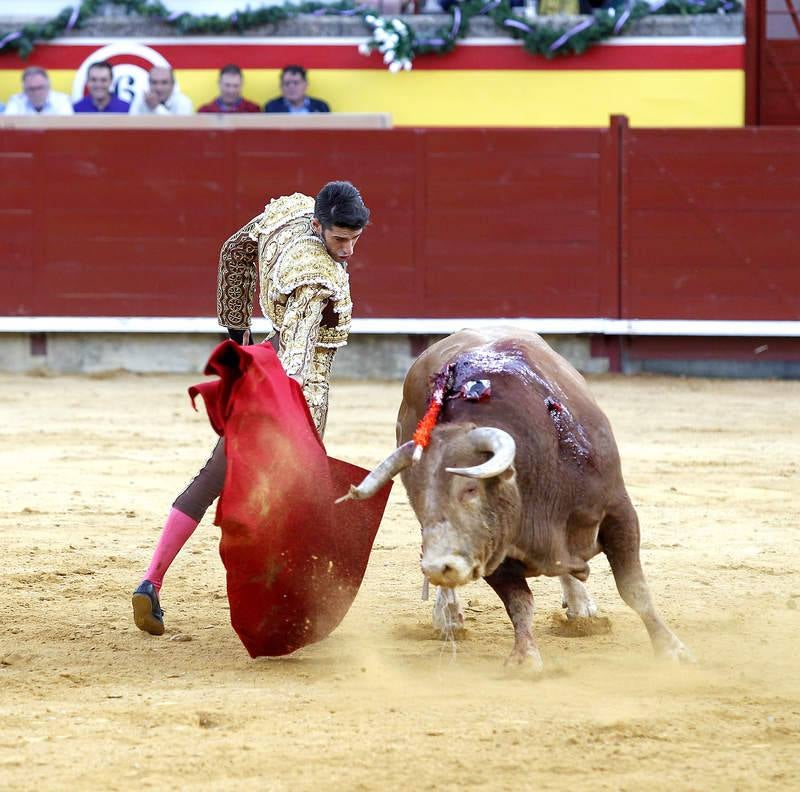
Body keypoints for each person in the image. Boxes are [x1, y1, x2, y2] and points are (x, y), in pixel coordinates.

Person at [132, 181, 370, 635]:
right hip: (290, 391)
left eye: (355, 239)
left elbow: (234, 250)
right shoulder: (314, 281)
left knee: (211, 479)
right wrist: (296, 427)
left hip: (258, 368)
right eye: (340, 239)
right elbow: (298, 364)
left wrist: (236, 334)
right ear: (319, 226)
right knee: (293, 502)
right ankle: (281, 612)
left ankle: (151, 581)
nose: (349, 250)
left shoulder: (291, 214)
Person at [4, 66, 73, 115]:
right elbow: (7, 128)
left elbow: (68, 127)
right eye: (31, 89)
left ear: (49, 86)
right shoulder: (16, 101)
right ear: (24, 88)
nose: (36, 93)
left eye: (40, 88)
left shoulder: (62, 100)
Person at [129, 66, 194, 115]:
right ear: (149, 84)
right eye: (154, 82)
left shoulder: (183, 102)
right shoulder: (140, 99)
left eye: (164, 82)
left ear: (173, 84)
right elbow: (130, 126)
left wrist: (156, 107)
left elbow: (180, 130)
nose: (158, 88)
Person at [264, 65, 330, 114]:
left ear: (305, 85)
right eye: (287, 83)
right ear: (281, 86)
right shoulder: (272, 107)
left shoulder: (321, 106)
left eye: (296, 83)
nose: (291, 87)